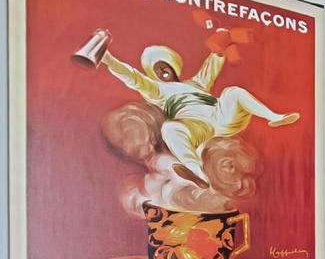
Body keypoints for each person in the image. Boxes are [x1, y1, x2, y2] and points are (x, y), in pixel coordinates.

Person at [99, 43, 299, 185]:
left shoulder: (196, 83)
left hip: (219, 117)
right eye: (157, 70)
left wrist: (220, 47)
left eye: (164, 66)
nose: (161, 72)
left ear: (172, 66)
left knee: (233, 92)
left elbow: (211, 66)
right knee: (170, 128)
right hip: (195, 128)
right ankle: (197, 172)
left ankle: (274, 117)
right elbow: (132, 77)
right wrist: (108, 59)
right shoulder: (157, 91)